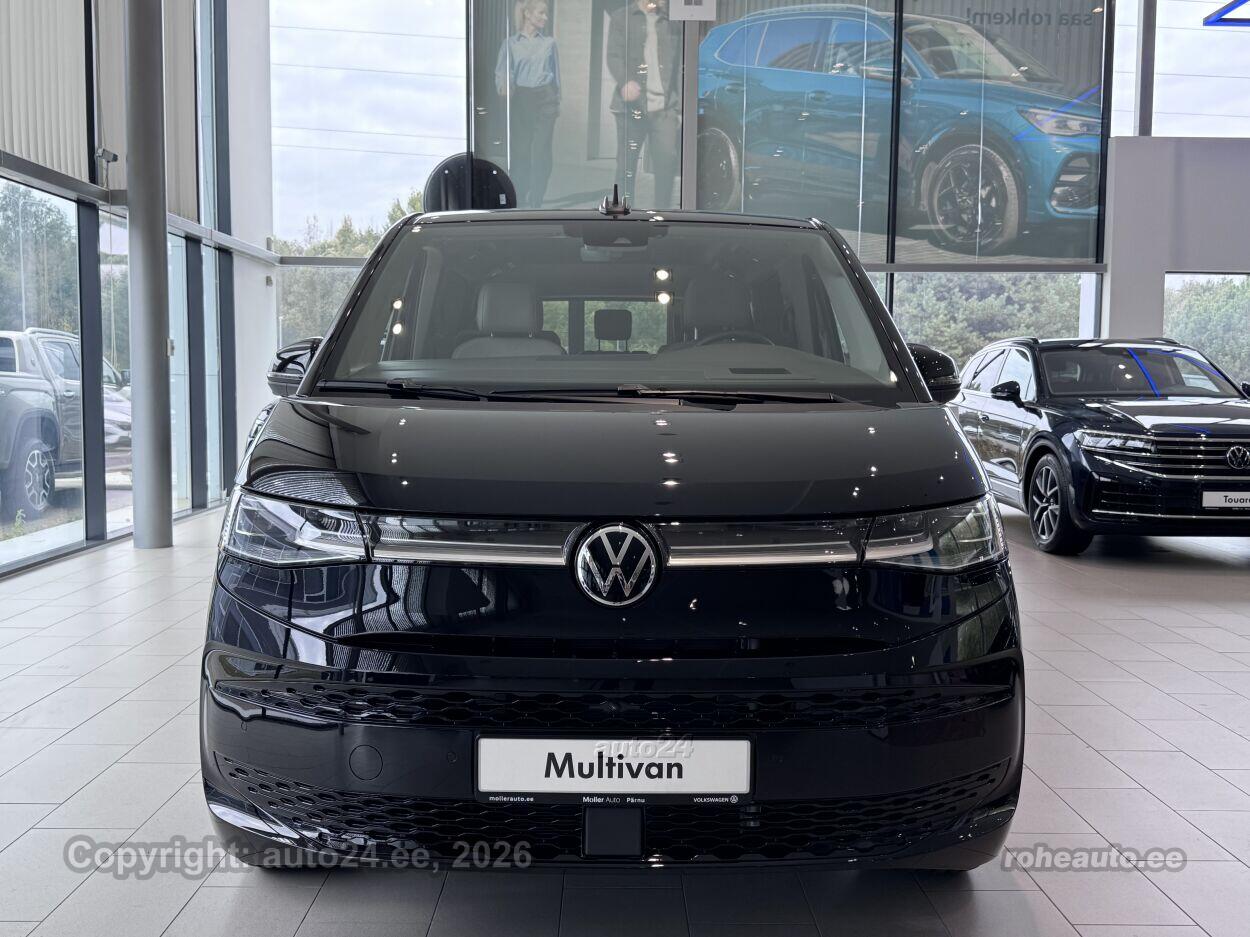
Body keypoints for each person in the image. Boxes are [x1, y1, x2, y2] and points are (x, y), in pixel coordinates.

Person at [607, 0, 681, 207]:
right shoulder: (622, 18)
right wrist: (624, 81)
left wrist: (679, 109)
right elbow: (613, 56)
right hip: (631, 108)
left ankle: (661, 216)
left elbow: (679, 65)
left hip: (664, 109)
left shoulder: (671, 23)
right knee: (626, 167)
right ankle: (624, 216)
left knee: (666, 164)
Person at [495, 0, 561, 208]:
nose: (545, 18)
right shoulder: (510, 44)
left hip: (546, 99)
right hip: (521, 100)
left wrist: (557, 100)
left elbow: (556, 75)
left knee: (541, 152)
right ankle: (520, 196)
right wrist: (504, 86)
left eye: (546, 14)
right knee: (521, 152)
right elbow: (502, 72)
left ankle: (536, 199)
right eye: (541, 13)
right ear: (528, 14)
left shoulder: (550, 43)